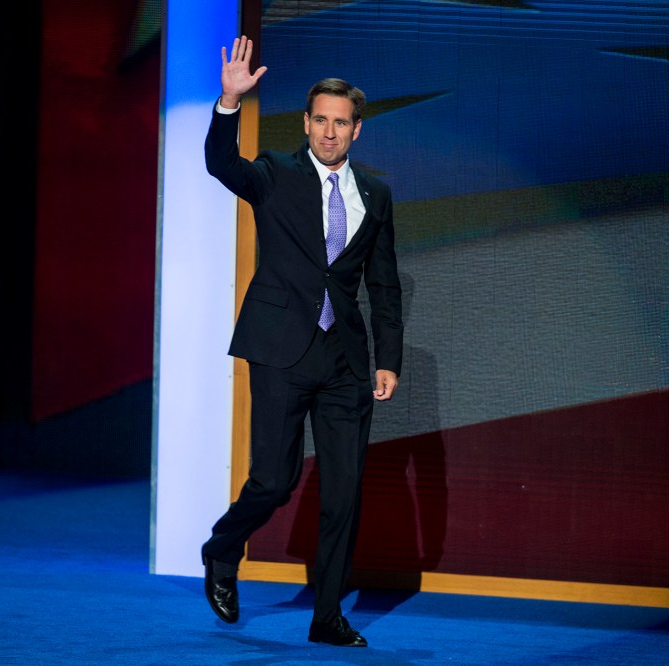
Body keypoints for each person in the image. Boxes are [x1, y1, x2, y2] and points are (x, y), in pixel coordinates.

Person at [201, 36, 403, 648]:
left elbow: (384, 281)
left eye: (342, 123)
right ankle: (223, 547)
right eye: (321, 120)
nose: (330, 132)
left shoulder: (377, 194)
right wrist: (228, 105)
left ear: (356, 131)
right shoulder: (274, 174)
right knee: (274, 480)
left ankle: (328, 617)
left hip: (344, 360)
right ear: (308, 122)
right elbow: (220, 165)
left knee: (343, 492)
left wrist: (387, 358)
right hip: (281, 348)